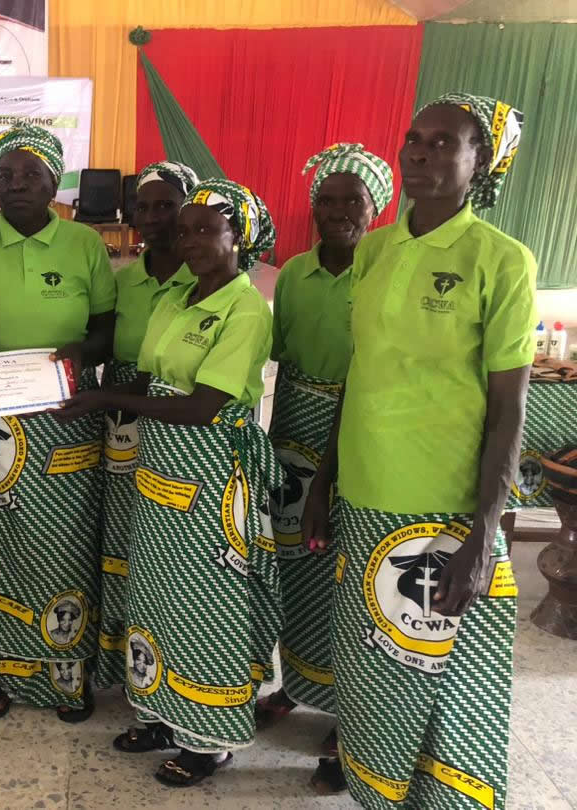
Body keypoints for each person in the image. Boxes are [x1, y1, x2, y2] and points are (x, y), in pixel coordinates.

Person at [302, 92, 532, 809]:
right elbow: (360, 371)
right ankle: (374, 785)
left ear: (480, 162)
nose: (420, 153)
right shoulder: (376, 249)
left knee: (442, 678)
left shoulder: (501, 260)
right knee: (370, 670)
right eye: (414, 139)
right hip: (364, 491)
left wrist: (485, 532)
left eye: (443, 143)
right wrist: (324, 482)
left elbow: (509, 407)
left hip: (444, 504)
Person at [56, 178, 283, 787]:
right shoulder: (176, 297)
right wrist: (75, 388)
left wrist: (105, 398)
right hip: (158, 471)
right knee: (158, 596)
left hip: (210, 474)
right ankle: (161, 712)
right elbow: (150, 380)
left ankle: (208, 740)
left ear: (240, 236)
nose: (191, 241)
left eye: (208, 229)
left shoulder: (245, 309)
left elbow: (204, 405)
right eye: (185, 231)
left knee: (204, 603)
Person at [0, 123, 116, 721]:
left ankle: (69, 674)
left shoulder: (84, 244)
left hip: (66, 417)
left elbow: (106, 329)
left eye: (30, 175)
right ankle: (0, 672)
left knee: (66, 541)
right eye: (6, 175)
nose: (16, 184)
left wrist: (81, 354)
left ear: (53, 183)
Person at [259, 143, 394, 792]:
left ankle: (350, 718)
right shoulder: (292, 274)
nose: (338, 211)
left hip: (361, 432)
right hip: (294, 429)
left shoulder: (385, 272)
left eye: (352, 201)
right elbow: (281, 358)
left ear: (376, 209)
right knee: (296, 562)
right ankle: (296, 684)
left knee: (349, 571)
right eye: (326, 200)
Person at [95, 161, 197, 690]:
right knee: (123, 531)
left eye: (166, 206)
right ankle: (122, 659)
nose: (153, 217)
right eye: (143, 206)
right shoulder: (124, 281)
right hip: (120, 419)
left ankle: (175, 665)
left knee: (172, 539)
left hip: (183, 425)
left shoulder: (207, 282)